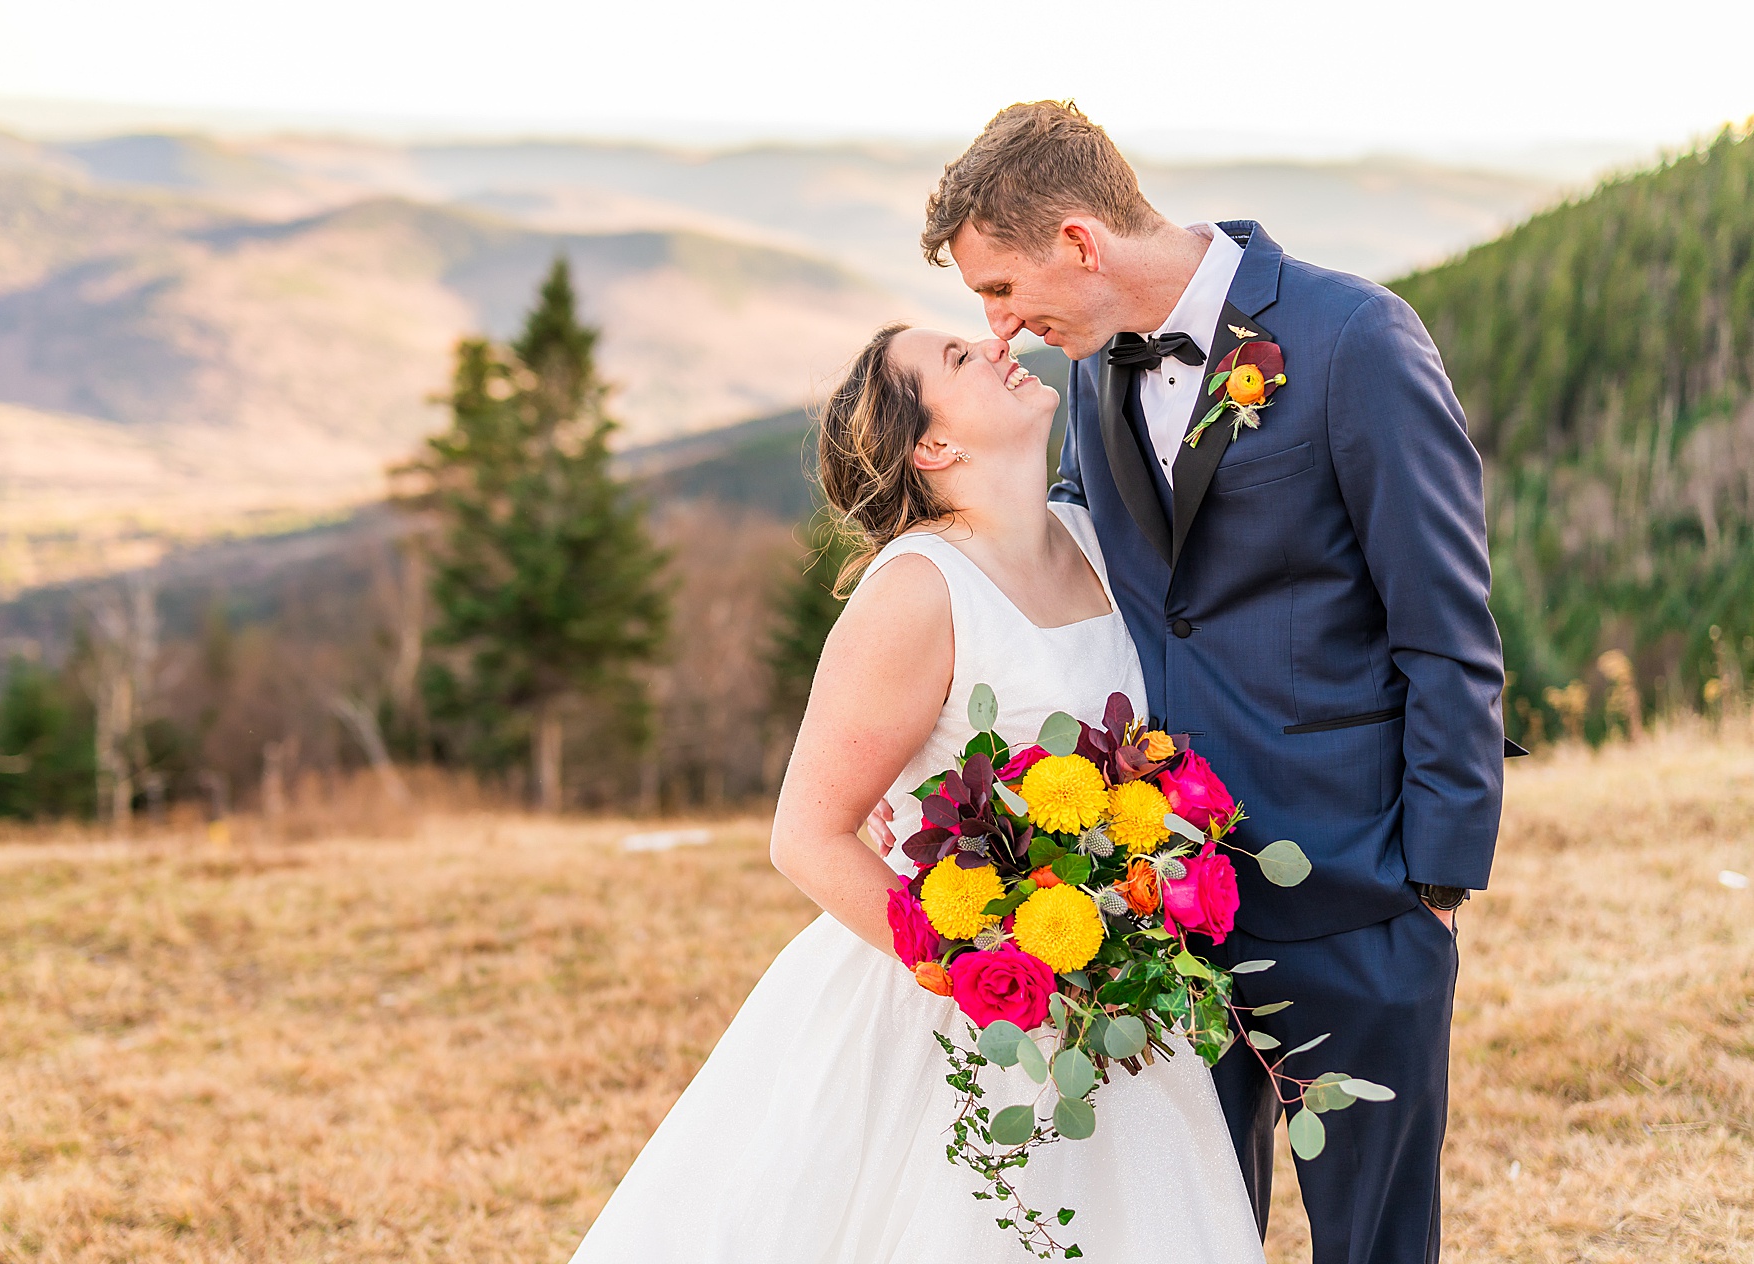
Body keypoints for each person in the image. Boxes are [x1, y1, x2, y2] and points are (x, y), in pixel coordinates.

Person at [904, 101, 1509, 1263]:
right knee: (1189, 1231)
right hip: (1161, 898)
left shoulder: (1353, 339)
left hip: (1358, 886)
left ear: (1079, 241)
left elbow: (1445, 623)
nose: (996, 326)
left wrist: (1434, 871)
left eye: (1000, 286)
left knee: (1372, 1240)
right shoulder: (1088, 373)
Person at [568, 323, 1265, 1262]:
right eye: (959, 359)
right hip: (961, 1003)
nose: (996, 343)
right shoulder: (917, 590)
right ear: (933, 447)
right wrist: (984, 964)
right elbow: (807, 835)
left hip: (1108, 995)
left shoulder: (1097, 542)